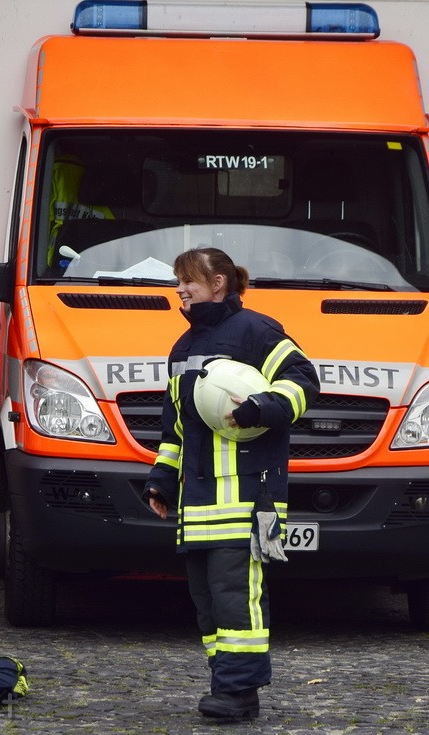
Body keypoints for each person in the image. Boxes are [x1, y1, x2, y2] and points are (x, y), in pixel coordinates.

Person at [144, 247, 319, 721]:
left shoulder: (257, 331)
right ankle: (228, 683)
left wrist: (260, 408)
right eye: (178, 280)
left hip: (246, 498)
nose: (179, 288)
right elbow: (175, 428)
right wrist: (161, 480)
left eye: (188, 280)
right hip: (199, 503)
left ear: (218, 283)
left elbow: (304, 380)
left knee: (235, 599)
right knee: (208, 605)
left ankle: (238, 692)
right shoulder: (182, 349)